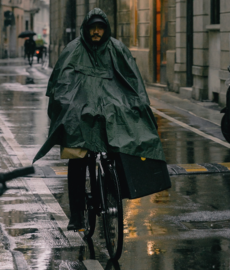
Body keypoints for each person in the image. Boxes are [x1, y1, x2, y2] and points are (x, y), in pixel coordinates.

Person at [32, 8, 166, 231]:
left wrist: (137, 104)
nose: (96, 32)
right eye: (92, 27)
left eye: (100, 27)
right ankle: (76, 213)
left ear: (106, 29)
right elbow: (61, 85)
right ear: (86, 28)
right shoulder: (73, 50)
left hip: (110, 112)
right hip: (82, 116)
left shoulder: (117, 49)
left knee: (122, 147)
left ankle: (114, 191)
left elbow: (132, 82)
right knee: (77, 158)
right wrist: (70, 107)